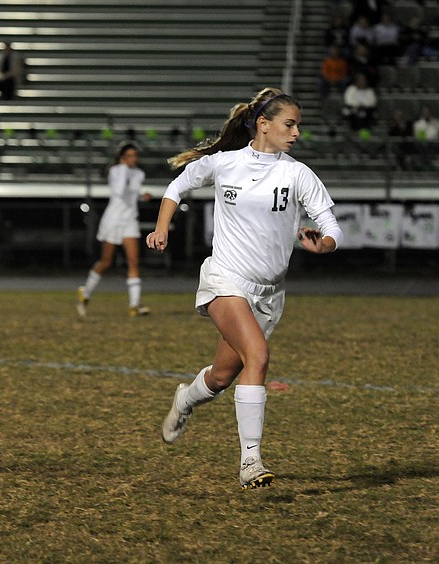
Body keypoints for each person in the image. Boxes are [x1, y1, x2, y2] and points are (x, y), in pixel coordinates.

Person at [146, 87, 344, 489]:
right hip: (225, 279)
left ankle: (186, 398)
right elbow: (176, 188)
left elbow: (332, 227)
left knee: (221, 377)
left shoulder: (297, 173)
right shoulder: (225, 164)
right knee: (258, 354)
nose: (296, 133)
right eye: (290, 125)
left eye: (298, 126)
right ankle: (250, 462)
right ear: (263, 125)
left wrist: (321, 243)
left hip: (269, 294)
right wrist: (162, 226)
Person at [76, 142, 151, 318]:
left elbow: (131, 193)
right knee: (106, 262)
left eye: (135, 155)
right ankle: (85, 293)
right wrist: (123, 167)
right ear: (122, 157)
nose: (134, 159)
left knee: (134, 262)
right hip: (113, 220)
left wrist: (142, 196)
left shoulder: (139, 173)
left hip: (129, 220)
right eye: (130, 155)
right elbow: (118, 191)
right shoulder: (116, 170)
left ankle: (134, 305)